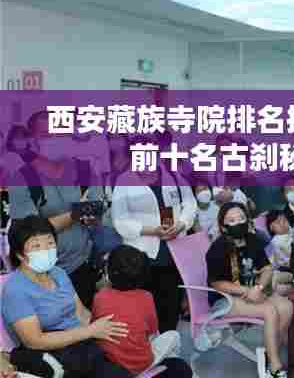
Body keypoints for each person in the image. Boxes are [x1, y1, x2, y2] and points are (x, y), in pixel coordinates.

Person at [1, 216, 131, 378]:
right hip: (57, 357)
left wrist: (107, 329)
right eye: (36, 246)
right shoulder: (15, 290)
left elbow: (81, 313)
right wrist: (90, 332)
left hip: (82, 348)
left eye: (50, 243)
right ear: (20, 254)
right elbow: (34, 341)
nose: (45, 250)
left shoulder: (58, 273)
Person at [9, 112, 103, 309]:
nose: (55, 140)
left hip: (82, 265)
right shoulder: (23, 178)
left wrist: (90, 215)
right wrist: (77, 213)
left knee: (85, 320)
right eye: (45, 135)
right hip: (43, 273)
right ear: (32, 141)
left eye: (60, 134)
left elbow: (96, 209)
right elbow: (32, 231)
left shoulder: (85, 170)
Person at [206, 202, 293, 378]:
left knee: (286, 306)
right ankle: (275, 368)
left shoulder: (253, 240)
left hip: (254, 291)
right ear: (223, 226)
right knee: (269, 310)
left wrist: (258, 287)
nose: (238, 223)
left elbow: (267, 268)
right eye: (231, 220)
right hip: (226, 299)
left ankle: (270, 353)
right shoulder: (218, 248)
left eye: (241, 218)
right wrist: (247, 291)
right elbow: (216, 283)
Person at [112, 166, 196, 333]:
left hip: (173, 252)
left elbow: (190, 203)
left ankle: (168, 341)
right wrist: (151, 230)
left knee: (170, 305)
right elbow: (119, 220)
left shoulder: (174, 174)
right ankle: (145, 343)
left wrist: (181, 224)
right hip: (140, 256)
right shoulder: (124, 180)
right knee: (143, 307)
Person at [92, 245, 192, 378]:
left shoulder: (99, 297)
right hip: (141, 365)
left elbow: (95, 327)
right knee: (174, 335)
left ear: (109, 274)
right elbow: (152, 331)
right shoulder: (146, 297)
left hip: (112, 364)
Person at [264, 210, 294, 296]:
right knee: (273, 276)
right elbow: (274, 264)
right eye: (278, 222)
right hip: (284, 270)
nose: (282, 224)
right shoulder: (272, 243)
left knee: (275, 278)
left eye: (284, 220)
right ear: (271, 227)